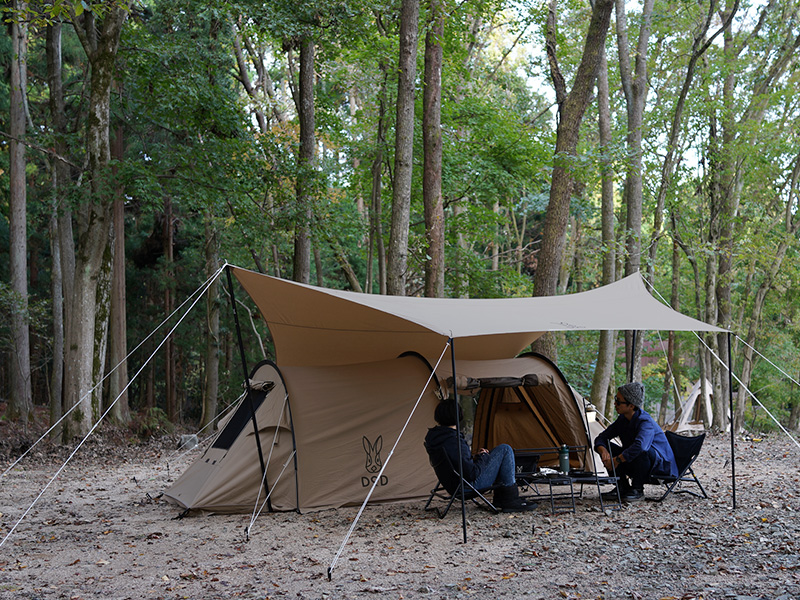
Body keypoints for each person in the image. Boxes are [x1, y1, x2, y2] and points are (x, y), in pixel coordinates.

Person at [424, 398, 536, 512]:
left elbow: (460, 464)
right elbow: (472, 474)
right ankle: (509, 499)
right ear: (459, 415)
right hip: (467, 487)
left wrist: (479, 458)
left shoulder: (436, 438)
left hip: (453, 485)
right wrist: (483, 457)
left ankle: (503, 498)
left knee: (498, 453)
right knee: (505, 449)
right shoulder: (454, 440)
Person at [594, 381, 678, 502]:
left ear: (631, 406)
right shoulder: (623, 419)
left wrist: (617, 460)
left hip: (659, 466)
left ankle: (637, 489)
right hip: (635, 461)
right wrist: (603, 451)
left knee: (642, 449)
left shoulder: (645, 422)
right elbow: (601, 438)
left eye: (619, 401)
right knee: (607, 446)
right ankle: (621, 487)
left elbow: (641, 447)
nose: (615, 403)